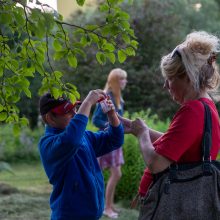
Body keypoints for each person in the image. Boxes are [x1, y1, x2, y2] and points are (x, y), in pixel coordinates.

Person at [119, 31, 220, 219]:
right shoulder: (206, 106)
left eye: (171, 78)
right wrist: (138, 129)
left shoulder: (192, 111)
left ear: (188, 78)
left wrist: (142, 135)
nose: (166, 85)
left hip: (172, 205)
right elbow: (176, 144)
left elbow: (156, 163)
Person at [38, 89, 124, 220]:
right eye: (68, 111)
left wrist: (111, 114)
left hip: (92, 215)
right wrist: (88, 102)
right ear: (50, 118)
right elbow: (70, 141)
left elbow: (115, 140)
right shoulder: (48, 144)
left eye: (76, 108)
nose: (74, 113)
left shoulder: (84, 136)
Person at [92, 68, 127, 219]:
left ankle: (109, 205)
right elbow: (95, 120)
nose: (125, 82)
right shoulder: (107, 97)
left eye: (124, 79)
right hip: (106, 139)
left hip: (114, 140)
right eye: (122, 79)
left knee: (115, 174)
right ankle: (105, 207)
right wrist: (110, 124)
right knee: (110, 173)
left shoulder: (119, 98)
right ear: (114, 81)